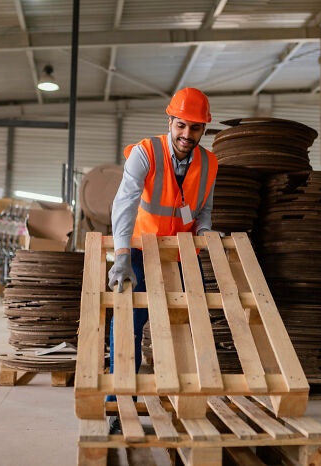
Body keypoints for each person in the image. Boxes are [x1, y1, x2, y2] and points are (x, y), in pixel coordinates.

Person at [106, 88, 219, 431]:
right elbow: (124, 202)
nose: (187, 135)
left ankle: (186, 403)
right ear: (169, 121)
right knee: (129, 322)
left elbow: (204, 209)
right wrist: (122, 254)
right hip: (140, 248)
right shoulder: (145, 153)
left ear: (204, 129)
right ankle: (118, 406)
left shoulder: (210, 162)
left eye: (196, 128)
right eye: (182, 126)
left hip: (182, 251)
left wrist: (204, 230)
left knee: (187, 324)